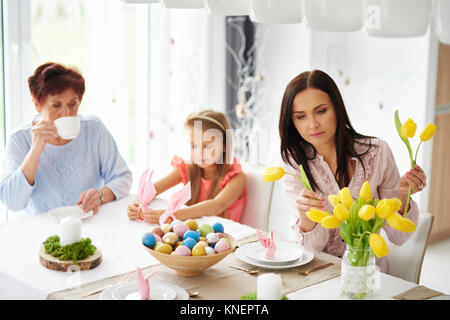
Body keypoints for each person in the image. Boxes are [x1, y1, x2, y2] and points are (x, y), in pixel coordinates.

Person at [278, 70, 426, 273]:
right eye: (301, 116)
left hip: (367, 275)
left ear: (337, 108)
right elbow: (311, 249)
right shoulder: (295, 163)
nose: (312, 124)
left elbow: (398, 237)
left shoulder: (378, 153)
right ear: (292, 123)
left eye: (321, 111)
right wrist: (307, 219)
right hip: (317, 275)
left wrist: (401, 197)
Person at [0, 62, 132, 216]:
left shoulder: (93, 130)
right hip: (40, 231)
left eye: (73, 104)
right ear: (37, 104)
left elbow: (123, 177)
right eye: (56, 105)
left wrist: (100, 195)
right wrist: (35, 150)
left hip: (88, 224)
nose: (66, 113)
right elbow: (12, 202)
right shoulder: (19, 139)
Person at [127, 110, 247, 224]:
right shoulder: (188, 168)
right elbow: (154, 189)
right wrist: (138, 204)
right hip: (193, 236)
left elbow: (217, 206)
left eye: (207, 146)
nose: (199, 153)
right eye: (194, 145)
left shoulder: (236, 177)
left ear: (225, 145)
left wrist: (172, 214)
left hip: (226, 239)